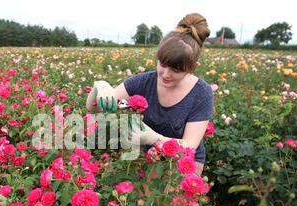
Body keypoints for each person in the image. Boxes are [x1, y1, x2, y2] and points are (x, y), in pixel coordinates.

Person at [86, 13, 213, 176]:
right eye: (163, 64)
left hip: (184, 162)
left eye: (176, 69)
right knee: (146, 199)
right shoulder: (144, 82)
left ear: (192, 68)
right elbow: (94, 109)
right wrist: (100, 87)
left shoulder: (201, 93)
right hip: (149, 156)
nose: (166, 74)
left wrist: (154, 138)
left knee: (170, 201)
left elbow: (189, 145)